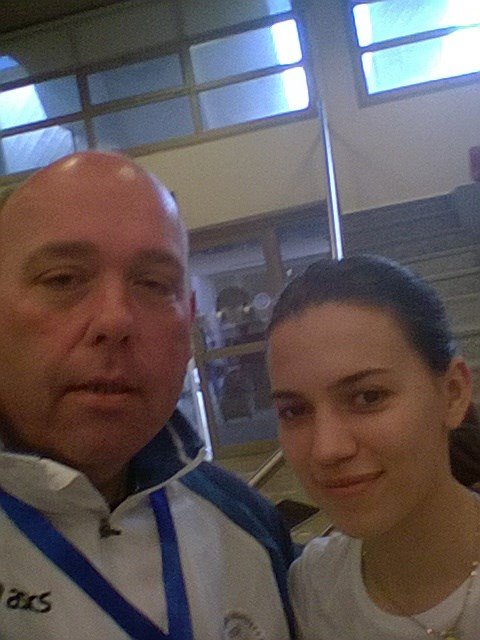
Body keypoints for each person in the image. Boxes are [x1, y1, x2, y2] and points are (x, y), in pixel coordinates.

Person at [0, 151, 295, 640]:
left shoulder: (251, 529)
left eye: (154, 284)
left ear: (189, 321)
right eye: (63, 279)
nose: (115, 320)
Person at [266, 254, 479, 640]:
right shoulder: (313, 589)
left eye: (368, 397)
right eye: (294, 410)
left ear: (452, 394)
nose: (327, 449)